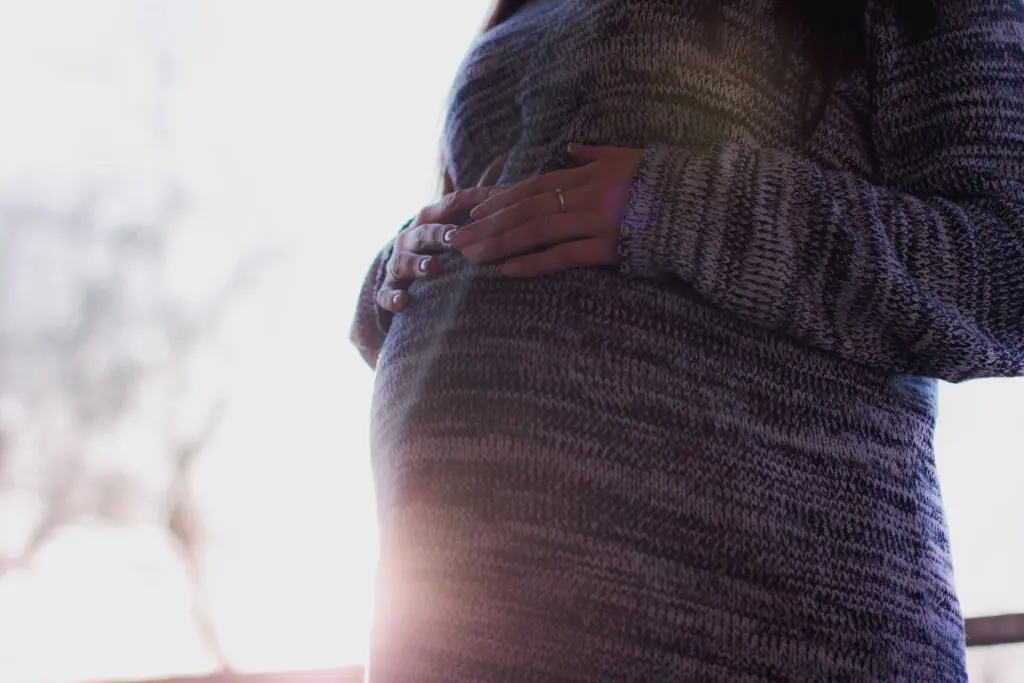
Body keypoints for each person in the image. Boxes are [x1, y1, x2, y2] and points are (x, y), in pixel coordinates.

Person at [350, 0, 1024, 680]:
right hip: (459, 595)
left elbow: (1005, 270)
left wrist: (665, 204)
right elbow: (515, 196)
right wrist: (402, 271)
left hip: (762, 611)